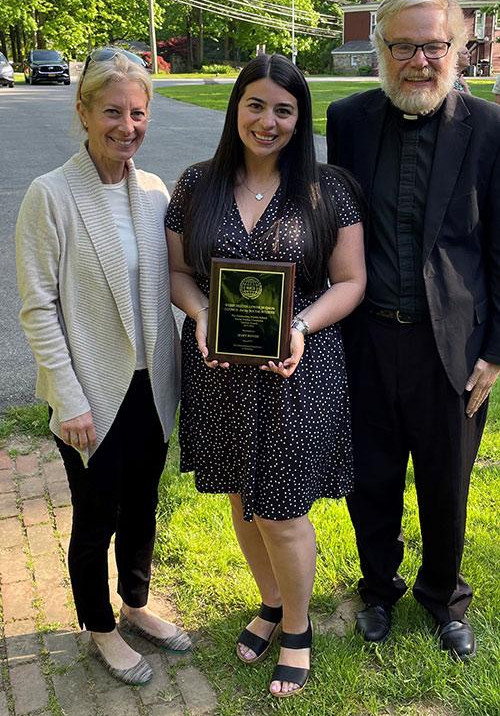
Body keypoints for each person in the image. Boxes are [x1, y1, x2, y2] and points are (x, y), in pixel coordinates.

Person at [166, 54, 366, 697]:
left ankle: (299, 630)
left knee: (280, 510)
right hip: (218, 369)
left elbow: (351, 281)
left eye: (284, 109)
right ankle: (272, 601)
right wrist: (200, 314)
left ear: (299, 117)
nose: (268, 120)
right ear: (236, 108)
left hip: (297, 371)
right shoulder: (196, 184)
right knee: (240, 500)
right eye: (256, 105)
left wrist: (300, 326)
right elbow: (179, 276)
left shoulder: (327, 188)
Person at [326, 0, 500, 660]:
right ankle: (377, 589)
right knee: (370, 476)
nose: (420, 60)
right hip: (367, 338)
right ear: (381, 50)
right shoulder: (348, 120)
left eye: (435, 45)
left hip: (452, 346)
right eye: (404, 46)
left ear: (458, 49)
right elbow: (333, 227)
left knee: (446, 479)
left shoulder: (487, 129)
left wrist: (496, 350)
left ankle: (442, 597)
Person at [16, 48, 189, 685]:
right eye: (112, 111)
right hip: (91, 391)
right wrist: (67, 397)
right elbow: (38, 306)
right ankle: (100, 627)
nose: (126, 125)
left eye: (138, 113)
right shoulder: (50, 195)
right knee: (97, 517)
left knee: (143, 505)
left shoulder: (152, 191)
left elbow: (174, 280)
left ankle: (137, 604)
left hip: (152, 384)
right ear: (84, 111)